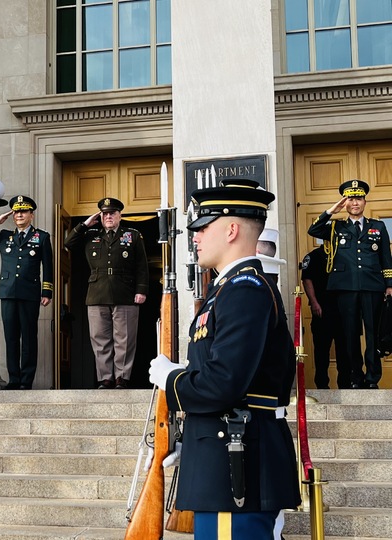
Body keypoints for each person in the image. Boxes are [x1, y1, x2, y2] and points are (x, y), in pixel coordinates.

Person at [148, 180, 300, 538]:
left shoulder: (245, 290)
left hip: (238, 461)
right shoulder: (227, 290)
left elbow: (223, 384)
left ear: (232, 229)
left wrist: (172, 379)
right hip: (223, 455)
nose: (195, 237)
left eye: (203, 227)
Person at [307, 179, 392, 389]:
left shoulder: (378, 226)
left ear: (364, 201)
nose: (355, 203)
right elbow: (313, 230)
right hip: (345, 289)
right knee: (350, 335)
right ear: (346, 202)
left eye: (359, 198)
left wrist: (389, 284)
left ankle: (372, 378)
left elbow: (386, 258)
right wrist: (331, 210)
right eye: (351, 199)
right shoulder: (336, 226)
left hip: (373, 286)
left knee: (372, 334)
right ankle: (356, 377)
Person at [64, 197, 149, 389]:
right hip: (97, 293)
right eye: (105, 214)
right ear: (100, 216)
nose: (108, 216)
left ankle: (122, 377)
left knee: (124, 339)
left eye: (112, 213)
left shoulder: (132, 235)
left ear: (120, 215)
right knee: (100, 339)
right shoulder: (91, 234)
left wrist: (141, 290)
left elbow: (141, 266)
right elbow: (68, 243)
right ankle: (105, 378)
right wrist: (84, 224)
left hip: (125, 292)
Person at [0, 195, 53, 390]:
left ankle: (26, 381)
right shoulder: (4, 236)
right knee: (10, 338)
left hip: (30, 293)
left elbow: (48, 266)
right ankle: (14, 379)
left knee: (28, 337)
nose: (19, 215)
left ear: (31, 215)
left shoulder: (42, 237)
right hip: (8, 293)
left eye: (23, 211)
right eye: (16, 212)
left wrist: (47, 291)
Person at [301, 244, 345, 389]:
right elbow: (307, 279)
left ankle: (345, 385)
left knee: (344, 352)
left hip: (343, 311)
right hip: (322, 310)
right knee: (321, 352)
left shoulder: (344, 253)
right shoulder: (313, 256)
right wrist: (314, 303)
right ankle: (322, 386)